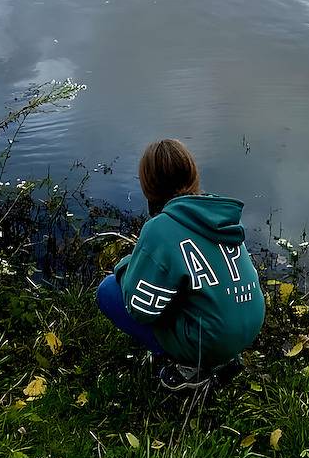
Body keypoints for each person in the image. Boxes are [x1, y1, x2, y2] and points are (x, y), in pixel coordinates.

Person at [95, 138, 265, 390]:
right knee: (193, 291)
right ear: (193, 173)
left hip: (210, 340)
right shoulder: (220, 215)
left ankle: (191, 368)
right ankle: (225, 355)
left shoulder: (159, 228)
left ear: (148, 185)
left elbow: (140, 309)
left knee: (109, 290)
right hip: (249, 326)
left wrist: (126, 267)